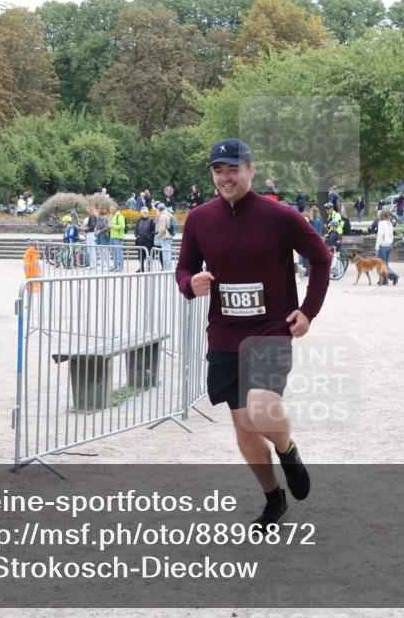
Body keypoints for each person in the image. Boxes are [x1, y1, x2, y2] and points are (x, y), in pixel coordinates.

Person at [175, 137, 330, 528]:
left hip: (271, 328)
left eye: (233, 169)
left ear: (251, 170)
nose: (226, 177)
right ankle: (273, 499)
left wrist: (309, 311)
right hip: (225, 334)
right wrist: (190, 283)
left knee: (261, 408)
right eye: (218, 170)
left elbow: (321, 257)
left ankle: (287, 450)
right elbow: (184, 268)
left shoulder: (280, 216)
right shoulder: (199, 219)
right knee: (245, 429)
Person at [375, 208, 399, 286]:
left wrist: (377, 246)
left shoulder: (381, 223)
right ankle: (385, 280)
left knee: (381, 265)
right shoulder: (389, 223)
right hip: (389, 245)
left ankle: (393, 276)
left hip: (383, 246)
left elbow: (380, 235)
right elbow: (392, 235)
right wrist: (390, 242)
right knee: (385, 264)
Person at [134, 206, 156, 272]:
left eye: (146, 212)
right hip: (140, 241)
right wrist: (136, 235)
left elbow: (153, 231)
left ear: (148, 213)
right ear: (141, 213)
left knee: (149, 255)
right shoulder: (138, 221)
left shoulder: (151, 221)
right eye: (143, 212)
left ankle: (149, 267)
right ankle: (141, 268)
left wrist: (150, 236)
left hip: (148, 242)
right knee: (140, 256)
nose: (145, 214)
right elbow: (136, 230)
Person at [156, 203, 174, 271]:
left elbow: (162, 229)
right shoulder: (169, 214)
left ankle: (166, 269)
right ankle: (169, 268)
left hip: (165, 236)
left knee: (165, 254)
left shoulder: (163, 216)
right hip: (170, 235)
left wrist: (159, 235)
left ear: (159, 209)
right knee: (168, 253)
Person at [110, 203, 126, 272]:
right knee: (113, 253)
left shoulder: (120, 216)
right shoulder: (111, 216)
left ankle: (120, 266)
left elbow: (122, 226)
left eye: (111, 209)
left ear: (115, 209)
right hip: (112, 237)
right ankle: (115, 266)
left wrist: (113, 226)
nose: (109, 210)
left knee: (118, 252)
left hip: (118, 237)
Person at [95, 206, 112, 271]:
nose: (98, 211)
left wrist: (100, 231)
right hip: (98, 236)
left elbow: (108, 227)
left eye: (99, 210)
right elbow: (97, 226)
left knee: (106, 251)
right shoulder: (98, 218)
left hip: (104, 236)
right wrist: (96, 230)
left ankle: (108, 265)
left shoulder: (106, 218)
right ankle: (102, 265)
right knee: (100, 251)